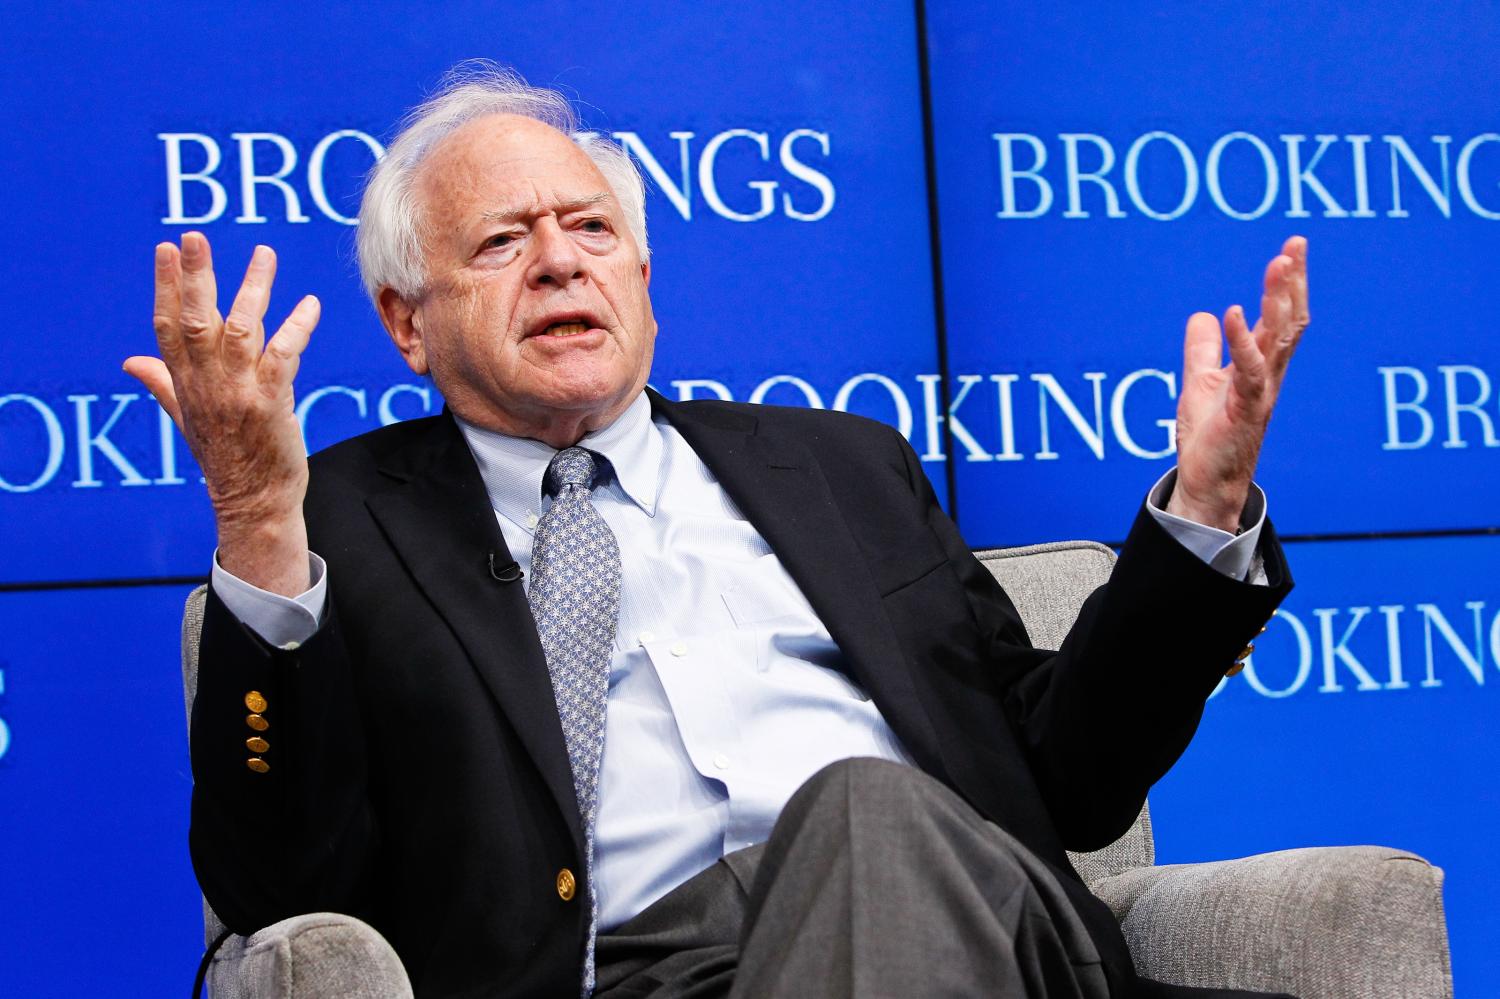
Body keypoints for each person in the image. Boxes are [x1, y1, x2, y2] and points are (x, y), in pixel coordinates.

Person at [127, 65, 1307, 999]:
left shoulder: (844, 469)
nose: (558, 262)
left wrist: (1201, 515)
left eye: (590, 228)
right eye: (501, 242)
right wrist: (256, 523)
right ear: (406, 323)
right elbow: (279, 884)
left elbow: (1070, 781)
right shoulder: (331, 524)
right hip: (630, 973)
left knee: (866, 814)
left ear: (643, 274)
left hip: (972, 928)